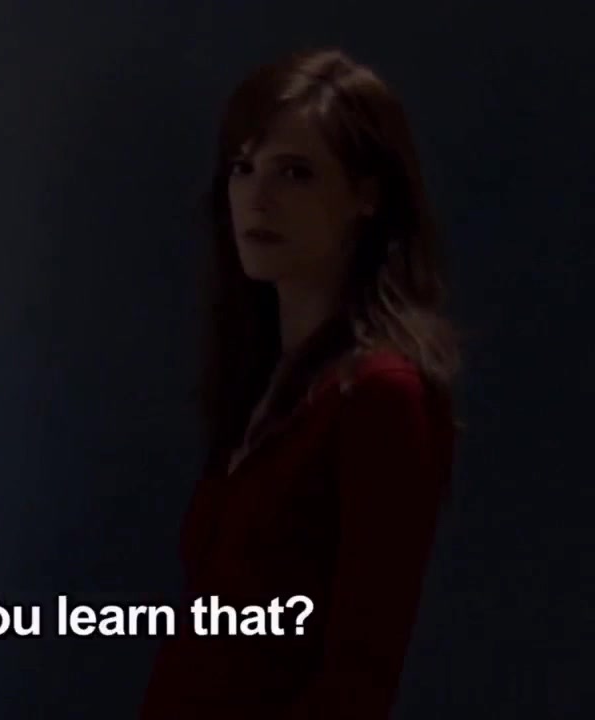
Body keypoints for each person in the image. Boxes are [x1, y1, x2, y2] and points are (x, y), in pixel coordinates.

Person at [139, 49, 459, 719]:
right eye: (243, 168)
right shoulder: (267, 381)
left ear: (366, 195)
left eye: (295, 173)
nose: (258, 198)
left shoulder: (380, 395)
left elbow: (361, 673)